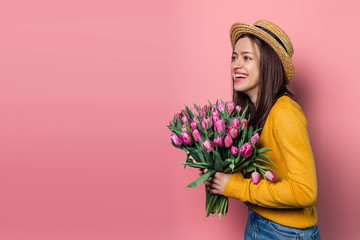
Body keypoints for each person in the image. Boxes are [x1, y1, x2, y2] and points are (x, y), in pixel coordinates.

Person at [200, 20, 320, 239]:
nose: (236, 65)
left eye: (247, 58)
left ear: (268, 65)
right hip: (260, 222)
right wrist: (217, 168)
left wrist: (235, 187)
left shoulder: (285, 113)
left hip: (286, 233)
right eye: (234, 57)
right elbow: (261, 172)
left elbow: (305, 191)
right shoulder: (252, 113)